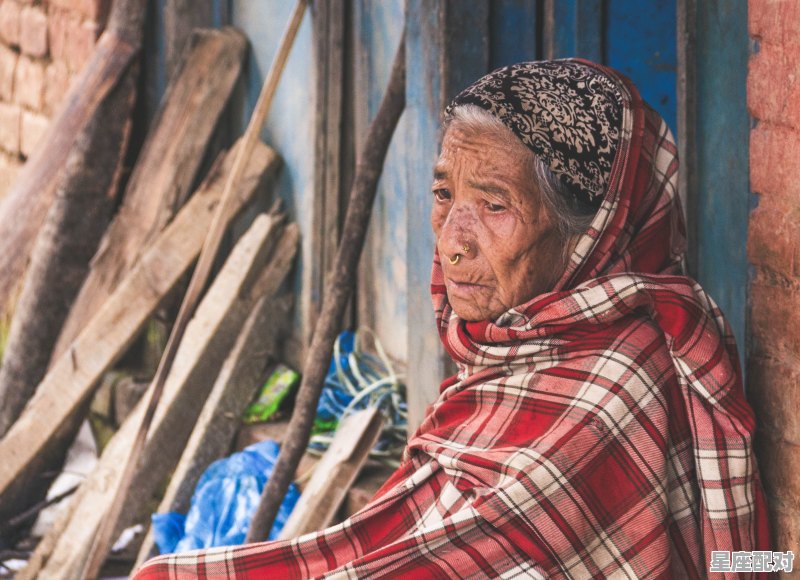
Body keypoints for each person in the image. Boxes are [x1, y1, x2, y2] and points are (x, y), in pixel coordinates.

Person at [134, 59, 770, 579]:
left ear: (588, 231)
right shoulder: (513, 351)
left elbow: (738, 561)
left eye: (494, 204)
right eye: (444, 196)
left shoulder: (617, 378)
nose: (452, 241)